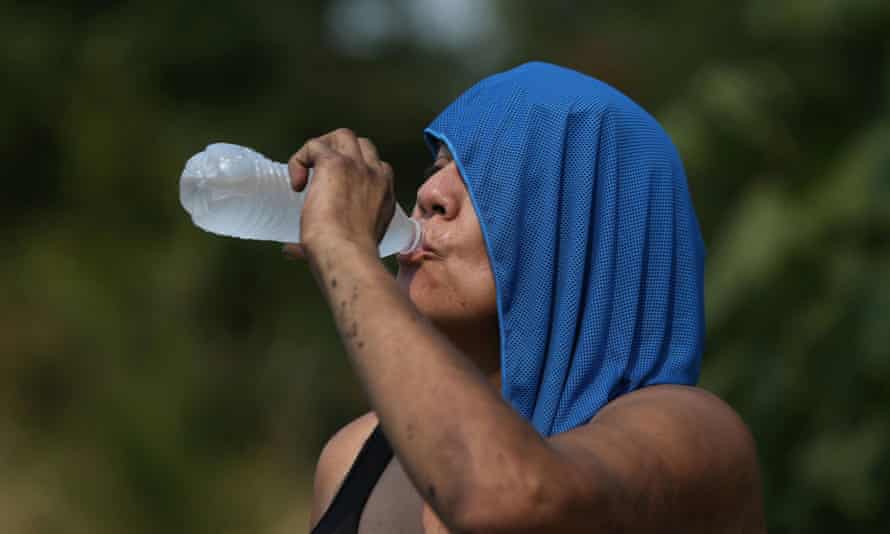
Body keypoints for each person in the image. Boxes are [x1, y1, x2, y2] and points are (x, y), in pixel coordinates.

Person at [283, 62, 766, 533]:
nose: (430, 193)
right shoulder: (352, 457)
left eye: (489, 175)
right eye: (437, 167)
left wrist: (344, 249)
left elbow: (507, 497)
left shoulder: (696, 438)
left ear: (591, 233)